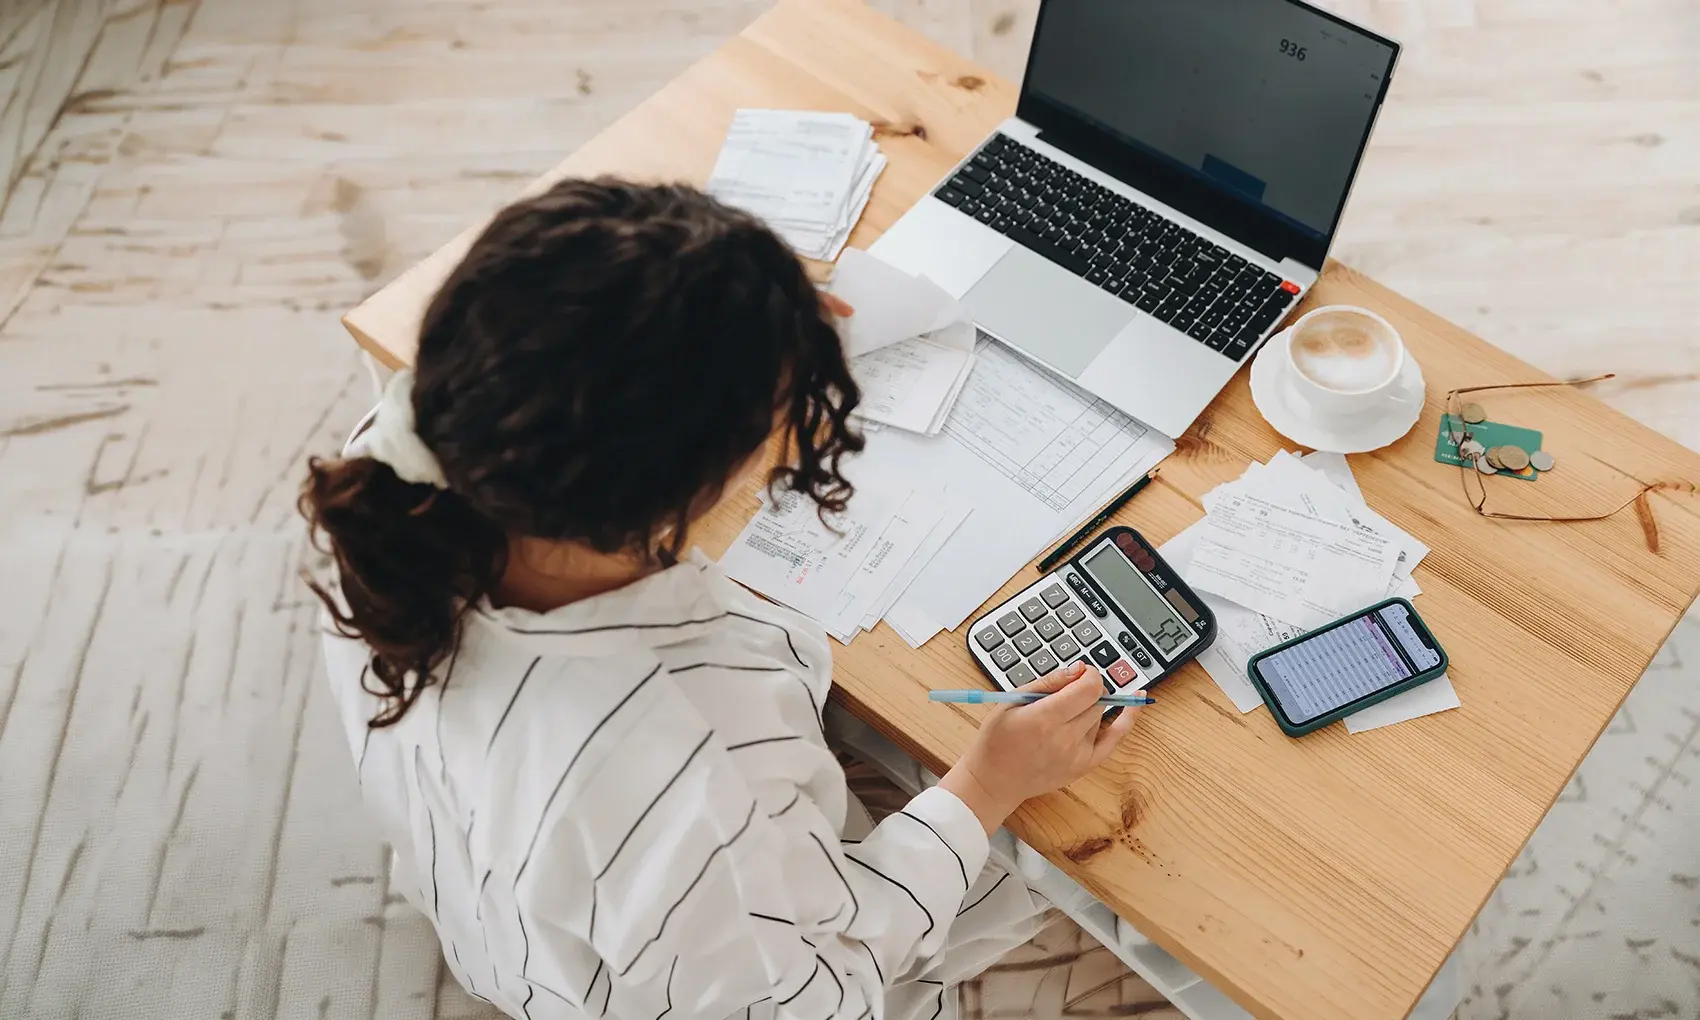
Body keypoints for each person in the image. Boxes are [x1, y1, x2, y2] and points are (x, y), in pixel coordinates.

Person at [301, 178, 1139, 1020]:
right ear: (672, 493)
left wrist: (744, 312)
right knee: (1061, 866)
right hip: (679, 964)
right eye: (774, 414)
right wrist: (986, 787)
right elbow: (808, 1002)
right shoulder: (674, 765)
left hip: (518, 909)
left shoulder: (391, 463)